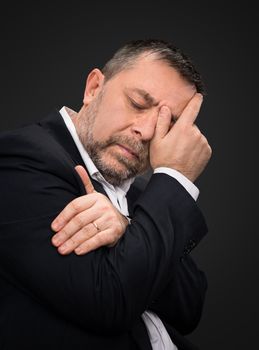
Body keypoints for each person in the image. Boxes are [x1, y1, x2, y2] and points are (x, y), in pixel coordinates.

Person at [0, 39, 212, 350]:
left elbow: (190, 305)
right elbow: (109, 300)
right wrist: (176, 179)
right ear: (94, 88)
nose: (147, 131)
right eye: (138, 104)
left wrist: (128, 228)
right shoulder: (20, 161)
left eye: (168, 125)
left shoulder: (141, 194)